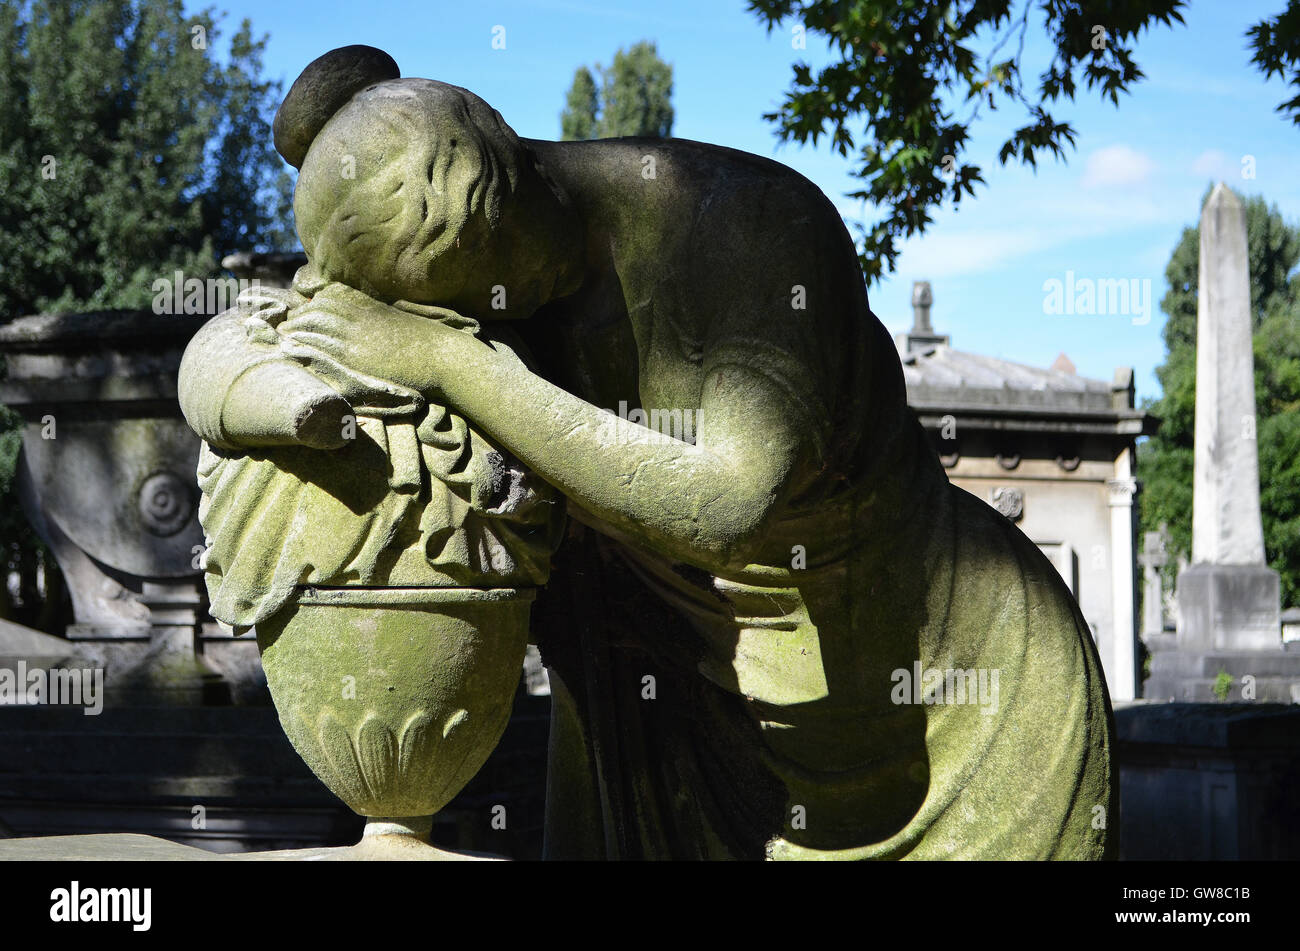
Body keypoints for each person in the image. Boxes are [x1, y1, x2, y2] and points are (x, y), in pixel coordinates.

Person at [183, 46, 1117, 859]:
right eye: (472, 304)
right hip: (677, 721)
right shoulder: (444, 277)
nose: (511, 306)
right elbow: (251, 341)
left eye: (503, 265)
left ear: (512, 173)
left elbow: (729, 502)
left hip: (959, 715)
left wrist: (449, 364)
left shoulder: (752, 230)